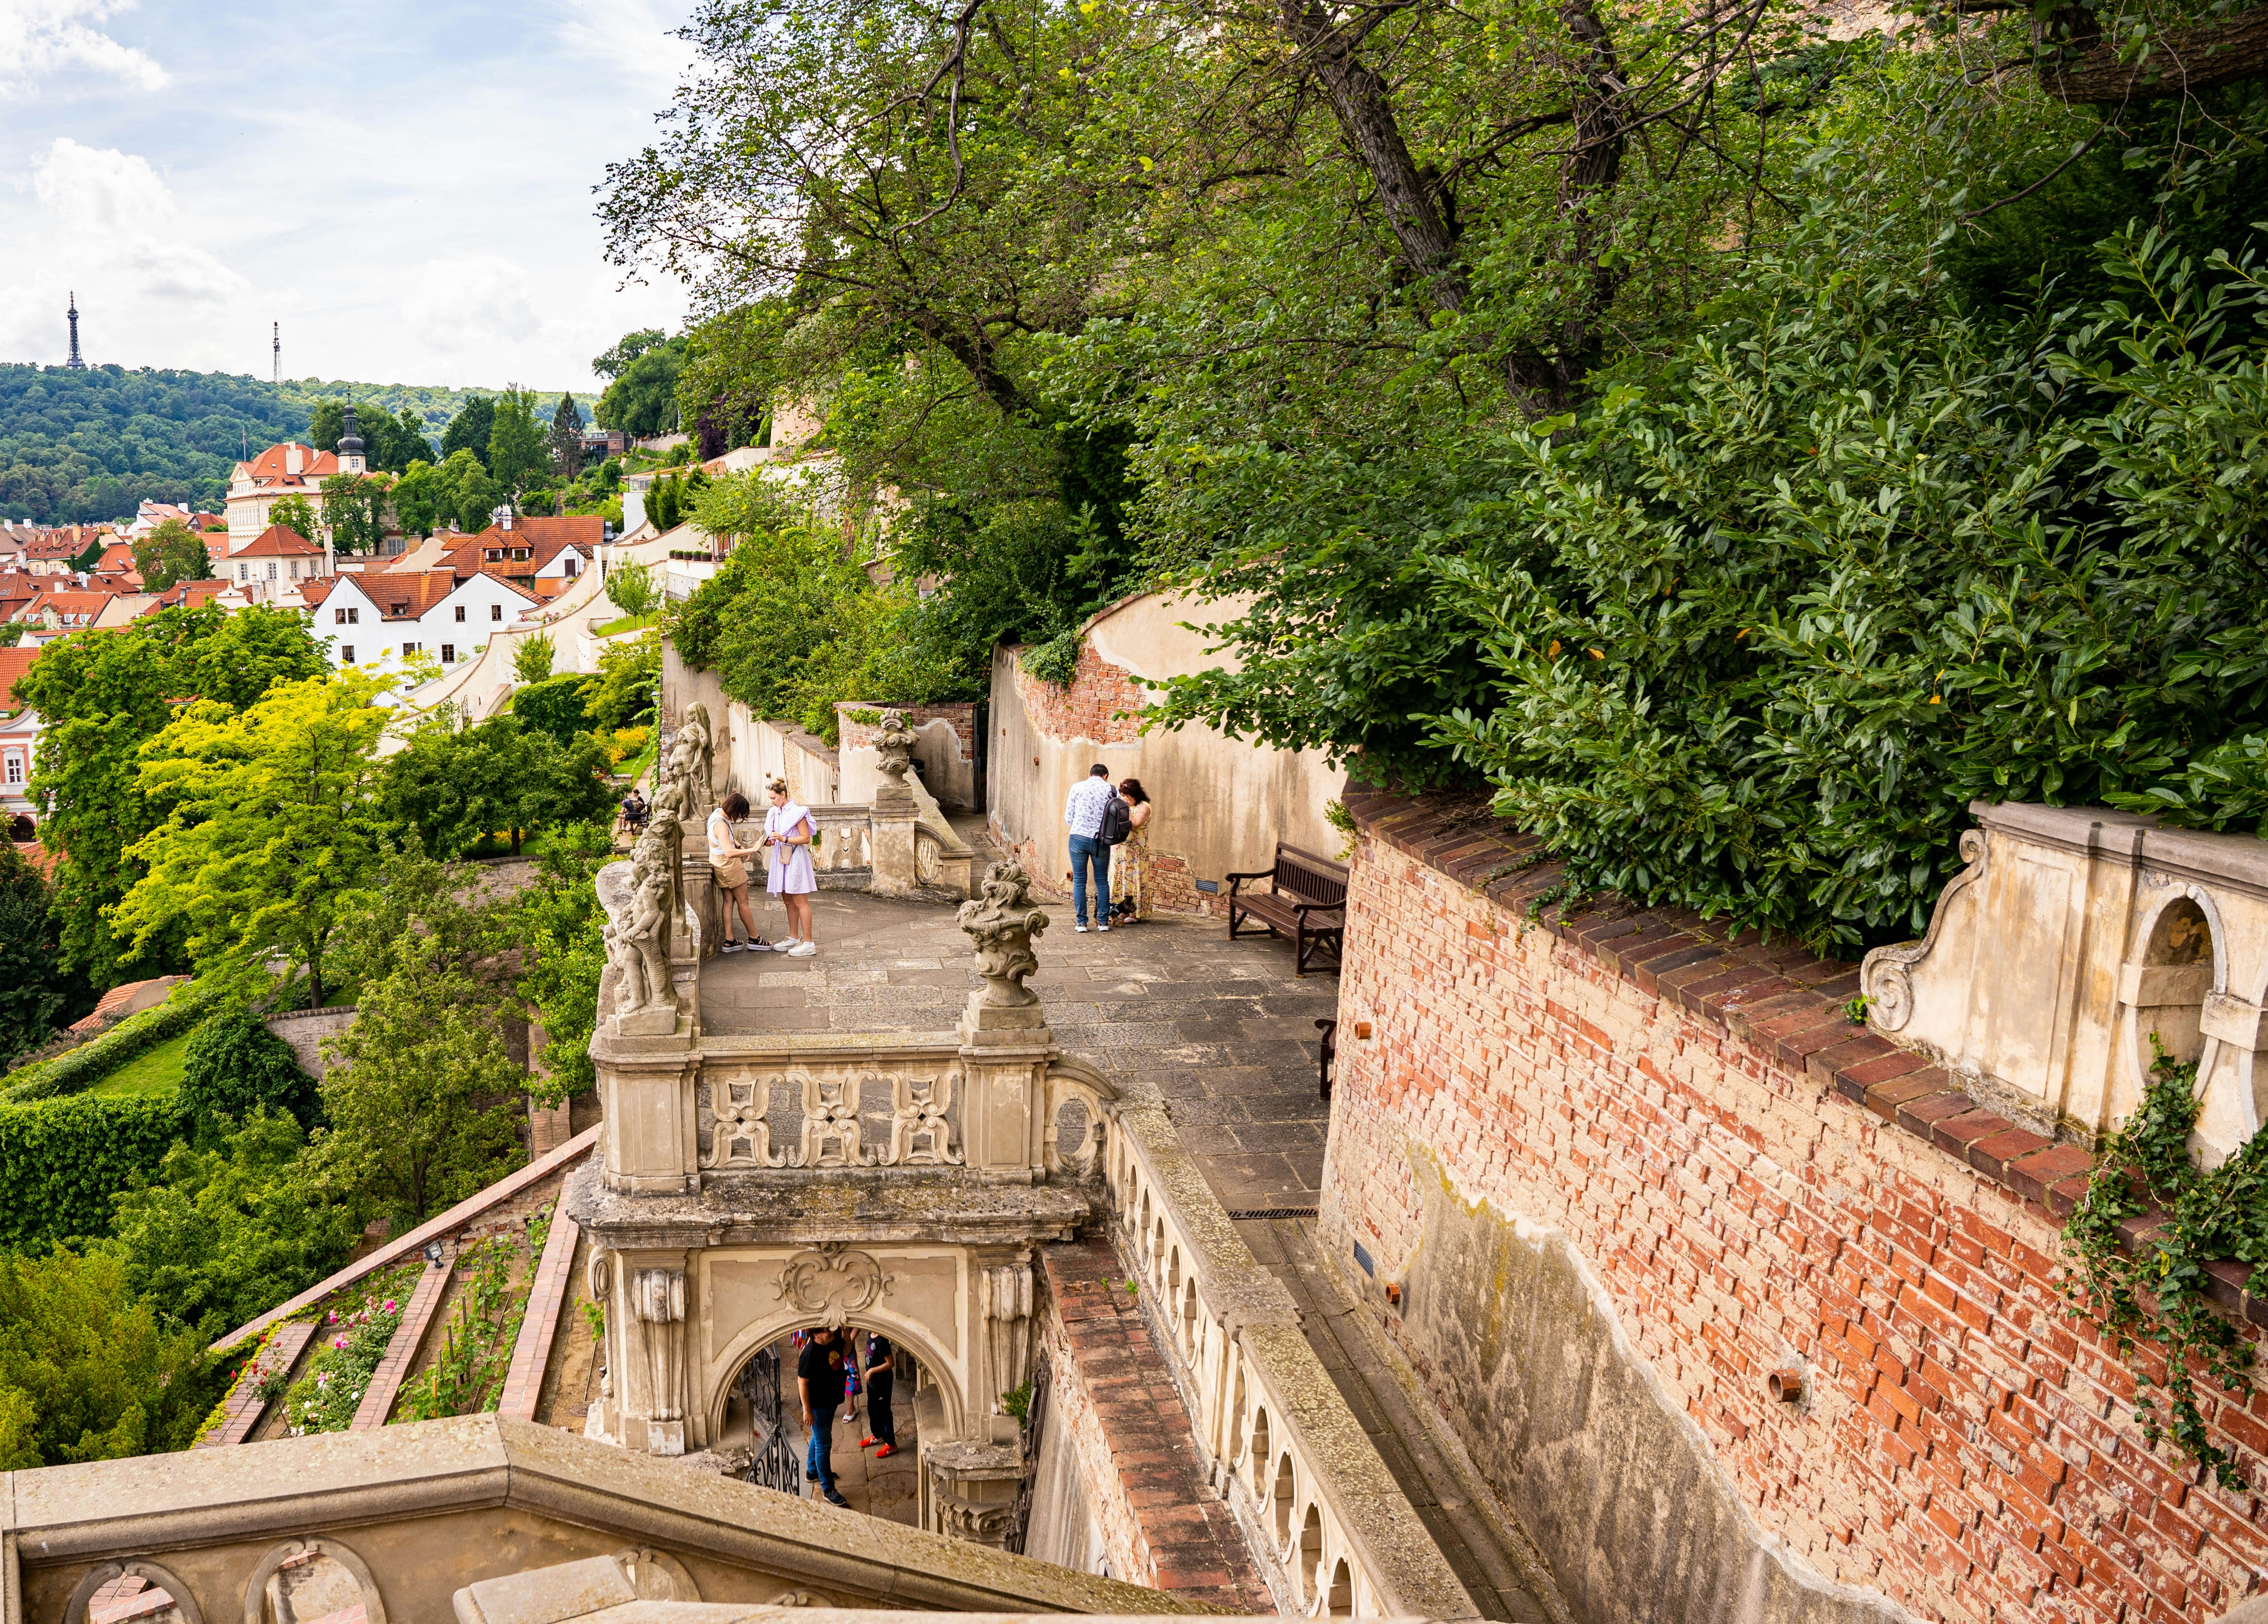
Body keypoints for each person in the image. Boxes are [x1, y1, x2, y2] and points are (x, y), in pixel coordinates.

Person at [707, 791, 771, 953]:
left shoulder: (717, 814)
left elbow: (728, 840)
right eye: (741, 815)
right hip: (729, 865)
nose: (740, 819)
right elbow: (728, 851)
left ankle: (729, 940)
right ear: (735, 810)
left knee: (729, 901)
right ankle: (754, 938)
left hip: (718, 863)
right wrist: (752, 849)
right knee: (744, 901)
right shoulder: (721, 825)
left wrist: (740, 847)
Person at [763, 777, 820, 956]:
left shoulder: (798, 812)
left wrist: (784, 838)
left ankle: (809, 942)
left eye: (773, 798)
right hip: (782, 858)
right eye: (770, 798)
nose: (771, 801)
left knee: (800, 901)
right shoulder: (775, 812)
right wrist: (771, 841)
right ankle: (794, 937)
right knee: (788, 900)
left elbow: (805, 838)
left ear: (783, 794)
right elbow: (777, 836)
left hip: (795, 859)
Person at [797, 1325, 850, 1506]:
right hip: (818, 1406)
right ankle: (828, 1488)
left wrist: (846, 1333)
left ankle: (812, 1472)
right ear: (816, 1334)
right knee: (823, 1444)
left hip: (831, 1400)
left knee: (818, 1438)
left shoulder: (834, 1340)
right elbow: (802, 1383)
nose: (831, 1331)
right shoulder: (809, 1353)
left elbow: (847, 1349)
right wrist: (807, 1410)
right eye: (827, 1330)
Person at [1063, 762, 1118, 934]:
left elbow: (1068, 817)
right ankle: (1103, 922)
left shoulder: (1077, 787)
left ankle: (1081, 923)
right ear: (1106, 776)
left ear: (1089, 774)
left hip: (1078, 838)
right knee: (1102, 881)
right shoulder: (1112, 790)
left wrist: (1081, 827)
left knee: (1079, 880)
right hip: (1101, 841)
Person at [1109, 777, 1152, 923]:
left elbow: (1135, 825)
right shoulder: (1124, 805)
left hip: (1136, 852)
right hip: (1120, 849)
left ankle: (1135, 913)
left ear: (1132, 795)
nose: (1123, 798)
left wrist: (1127, 808)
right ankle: (1123, 909)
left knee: (1134, 881)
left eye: (1125, 796)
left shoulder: (1143, 807)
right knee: (1120, 880)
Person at [860, 1333, 897, 1459]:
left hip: (883, 1382)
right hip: (872, 1383)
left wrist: (872, 1371)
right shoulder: (871, 1334)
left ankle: (891, 1443)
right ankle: (877, 1435)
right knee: (872, 1409)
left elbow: (891, 1363)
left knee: (884, 1412)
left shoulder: (882, 1340)